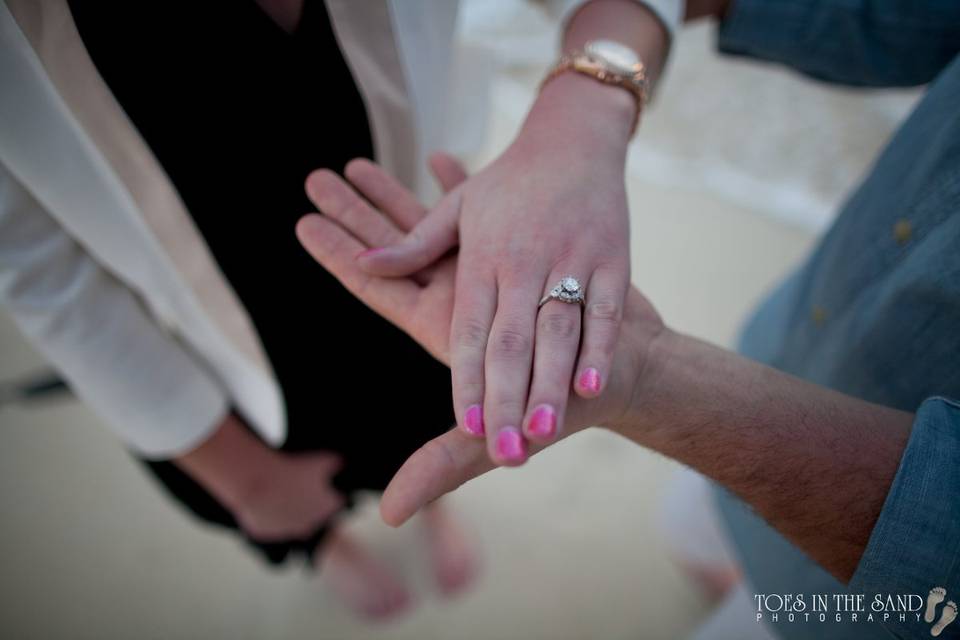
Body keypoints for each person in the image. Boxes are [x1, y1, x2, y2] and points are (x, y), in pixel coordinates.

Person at [0, 0, 684, 621]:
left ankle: (429, 509)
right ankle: (324, 544)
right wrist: (244, 477)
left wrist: (582, 114)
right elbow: (32, 263)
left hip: (423, 270)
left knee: (435, 417)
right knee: (287, 493)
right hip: (224, 342)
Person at [296, 2, 960, 638]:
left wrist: (655, 379)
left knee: (766, 599)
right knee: (698, 525)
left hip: (873, 611)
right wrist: (580, 111)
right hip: (782, 347)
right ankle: (721, 570)